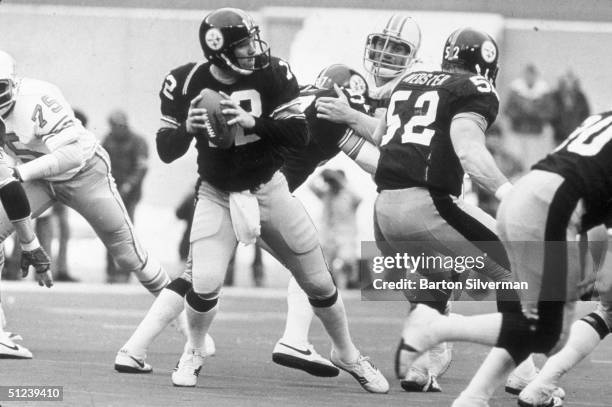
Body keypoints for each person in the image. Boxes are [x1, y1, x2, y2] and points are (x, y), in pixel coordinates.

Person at [145, 8, 388, 392]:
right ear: (218, 48)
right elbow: (165, 150)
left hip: (269, 188)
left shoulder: (275, 73)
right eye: (242, 44)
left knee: (319, 282)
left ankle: (348, 353)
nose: (252, 49)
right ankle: (193, 350)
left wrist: (251, 122)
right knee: (204, 282)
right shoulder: (185, 80)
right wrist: (188, 131)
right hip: (217, 193)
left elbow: (297, 134)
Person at [331, 27, 565, 402]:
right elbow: (469, 151)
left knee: (435, 278)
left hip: (385, 215)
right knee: (516, 266)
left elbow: (382, 134)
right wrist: (509, 193)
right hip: (427, 206)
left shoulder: (410, 84)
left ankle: (423, 363)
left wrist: (346, 115)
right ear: (487, 64)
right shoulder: (474, 88)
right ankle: (522, 371)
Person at [390, 83, 612, 407]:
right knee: (545, 332)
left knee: (533, 322)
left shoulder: (604, 119)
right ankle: (438, 327)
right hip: (552, 207)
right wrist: (599, 266)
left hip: (526, 196)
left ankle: (476, 396)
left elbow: (595, 199)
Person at [0, 50, 170, 337]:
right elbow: (7, 185)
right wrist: (30, 244)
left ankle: (189, 326)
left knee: (128, 256)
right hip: (37, 177)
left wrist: (20, 174)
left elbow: (72, 153)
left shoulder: (37, 97)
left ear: (13, 83)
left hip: (83, 173)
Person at [102, 109, 149, 283]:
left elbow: (141, 167)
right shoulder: (108, 140)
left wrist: (129, 185)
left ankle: (125, 270)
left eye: (117, 126)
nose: (114, 129)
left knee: (126, 233)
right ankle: (111, 269)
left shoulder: (138, 142)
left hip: (129, 196)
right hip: (111, 193)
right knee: (108, 230)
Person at [309, 169, 361, 288]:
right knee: (326, 264)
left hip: (346, 234)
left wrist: (339, 180)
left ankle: (351, 282)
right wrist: (321, 174)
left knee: (346, 259)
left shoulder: (349, 195)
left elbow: (359, 198)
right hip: (328, 233)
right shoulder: (326, 193)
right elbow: (310, 186)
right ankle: (333, 286)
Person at [504, 63, 555, 170]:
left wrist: (534, 114)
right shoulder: (515, 90)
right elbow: (507, 110)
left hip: (535, 132)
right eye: (527, 74)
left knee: (533, 160)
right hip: (517, 131)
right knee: (515, 158)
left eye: (532, 75)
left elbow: (549, 112)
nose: (529, 77)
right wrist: (521, 114)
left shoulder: (544, 92)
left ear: (536, 76)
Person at [550, 70, 590, 145]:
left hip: (576, 134)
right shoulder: (556, 96)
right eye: (566, 81)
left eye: (571, 81)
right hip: (559, 135)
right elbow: (552, 114)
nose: (569, 84)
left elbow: (585, 114)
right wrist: (558, 128)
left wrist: (580, 128)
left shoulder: (580, 96)